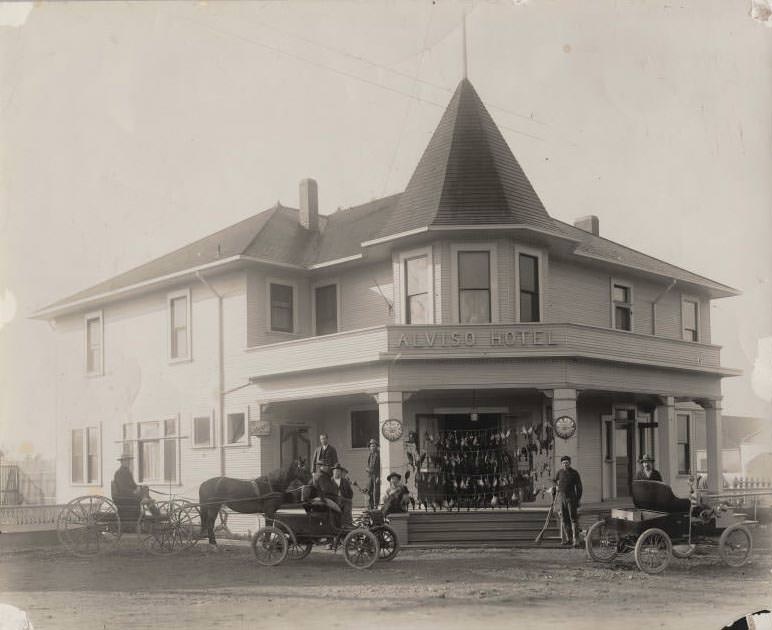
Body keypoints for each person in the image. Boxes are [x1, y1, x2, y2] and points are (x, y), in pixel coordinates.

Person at [551, 455, 583, 547]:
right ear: (561, 464)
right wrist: (556, 486)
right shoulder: (560, 472)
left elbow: (579, 487)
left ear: (570, 463)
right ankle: (568, 539)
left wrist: (578, 499)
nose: (565, 464)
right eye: (563, 463)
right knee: (564, 519)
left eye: (567, 462)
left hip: (571, 498)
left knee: (573, 519)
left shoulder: (574, 473)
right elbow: (554, 480)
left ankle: (576, 540)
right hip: (562, 499)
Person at [365, 438, 380, 510]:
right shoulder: (370, 455)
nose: (372, 447)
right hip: (370, 475)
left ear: (376, 446)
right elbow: (368, 465)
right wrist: (367, 468)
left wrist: (378, 476)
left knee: (376, 490)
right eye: (371, 446)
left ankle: (375, 505)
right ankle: (370, 505)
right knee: (369, 490)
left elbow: (380, 467)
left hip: (376, 474)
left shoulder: (378, 455)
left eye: (374, 446)